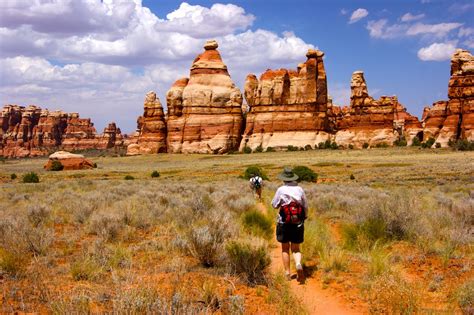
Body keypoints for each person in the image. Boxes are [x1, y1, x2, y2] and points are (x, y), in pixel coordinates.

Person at [272, 167, 308, 282]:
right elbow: (305, 206)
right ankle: (298, 264)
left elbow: (274, 204)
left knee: (285, 248)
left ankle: (287, 273)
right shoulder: (299, 189)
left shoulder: (281, 189)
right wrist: (304, 216)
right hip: (298, 223)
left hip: (284, 222)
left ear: (284, 178)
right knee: (296, 248)